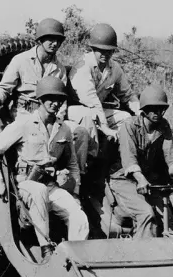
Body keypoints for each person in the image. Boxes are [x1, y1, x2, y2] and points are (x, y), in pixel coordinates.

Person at [0, 76, 89, 259]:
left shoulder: (63, 129)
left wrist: (76, 192)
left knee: (79, 216)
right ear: (40, 99)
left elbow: (72, 164)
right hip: (25, 184)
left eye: (59, 100)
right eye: (50, 99)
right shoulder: (24, 124)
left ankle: (74, 260)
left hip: (51, 185)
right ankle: (46, 249)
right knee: (38, 190)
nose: (55, 104)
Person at [0, 18, 93, 185]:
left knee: (81, 132)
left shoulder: (59, 69)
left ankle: (76, 180)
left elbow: (62, 101)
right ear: (40, 39)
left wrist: (58, 120)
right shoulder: (21, 61)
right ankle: (29, 181)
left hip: (51, 116)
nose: (54, 43)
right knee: (32, 139)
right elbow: (4, 87)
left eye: (58, 40)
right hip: (25, 113)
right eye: (50, 39)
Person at [104, 86, 173, 239]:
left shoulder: (163, 126)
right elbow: (129, 157)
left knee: (168, 219)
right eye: (153, 109)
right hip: (123, 180)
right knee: (146, 213)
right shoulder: (129, 125)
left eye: (160, 109)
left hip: (147, 182)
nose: (157, 113)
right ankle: (143, 256)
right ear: (144, 110)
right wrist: (140, 179)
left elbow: (171, 155)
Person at [67, 23, 140, 177]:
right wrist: (105, 127)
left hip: (97, 111)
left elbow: (127, 94)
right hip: (76, 110)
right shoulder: (82, 66)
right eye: (100, 51)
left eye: (109, 51)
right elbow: (91, 100)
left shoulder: (115, 69)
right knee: (88, 117)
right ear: (93, 49)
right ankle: (87, 166)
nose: (104, 55)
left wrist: (140, 112)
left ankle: (119, 160)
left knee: (126, 118)